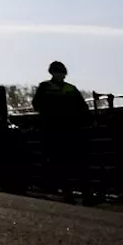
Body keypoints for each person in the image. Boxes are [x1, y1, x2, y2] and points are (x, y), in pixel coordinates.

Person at [32, 61, 94, 202]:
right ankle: (68, 193)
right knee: (62, 163)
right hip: (55, 130)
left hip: (69, 130)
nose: (60, 74)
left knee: (75, 162)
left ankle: (82, 193)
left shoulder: (67, 88)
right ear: (52, 73)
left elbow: (83, 107)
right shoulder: (47, 87)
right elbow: (37, 104)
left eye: (62, 72)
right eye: (58, 71)